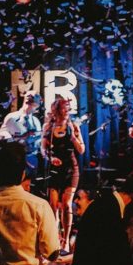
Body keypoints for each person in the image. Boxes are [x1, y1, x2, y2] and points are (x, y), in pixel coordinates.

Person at [42, 96, 85, 251]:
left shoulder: (73, 126)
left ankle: (65, 240)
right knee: (53, 205)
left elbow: (81, 150)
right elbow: (43, 149)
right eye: (63, 108)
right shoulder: (49, 127)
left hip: (70, 169)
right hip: (54, 170)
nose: (66, 111)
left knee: (66, 204)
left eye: (68, 108)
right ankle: (54, 238)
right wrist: (50, 158)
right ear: (57, 110)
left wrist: (73, 137)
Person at [0, 91, 43, 191]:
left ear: (37, 105)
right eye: (28, 99)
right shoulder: (12, 117)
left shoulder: (36, 121)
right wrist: (16, 141)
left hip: (32, 159)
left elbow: (38, 140)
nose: (30, 103)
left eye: (34, 101)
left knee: (30, 187)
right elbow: (0, 134)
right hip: (17, 158)